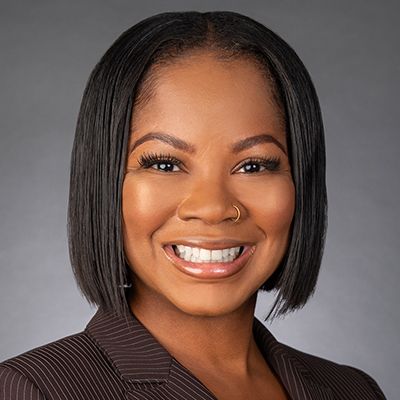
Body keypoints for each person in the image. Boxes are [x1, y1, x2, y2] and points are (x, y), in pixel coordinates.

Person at [0, 11, 386, 400]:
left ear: (301, 183)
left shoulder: (355, 391)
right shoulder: (33, 389)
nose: (213, 207)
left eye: (253, 166)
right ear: (104, 183)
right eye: (165, 164)